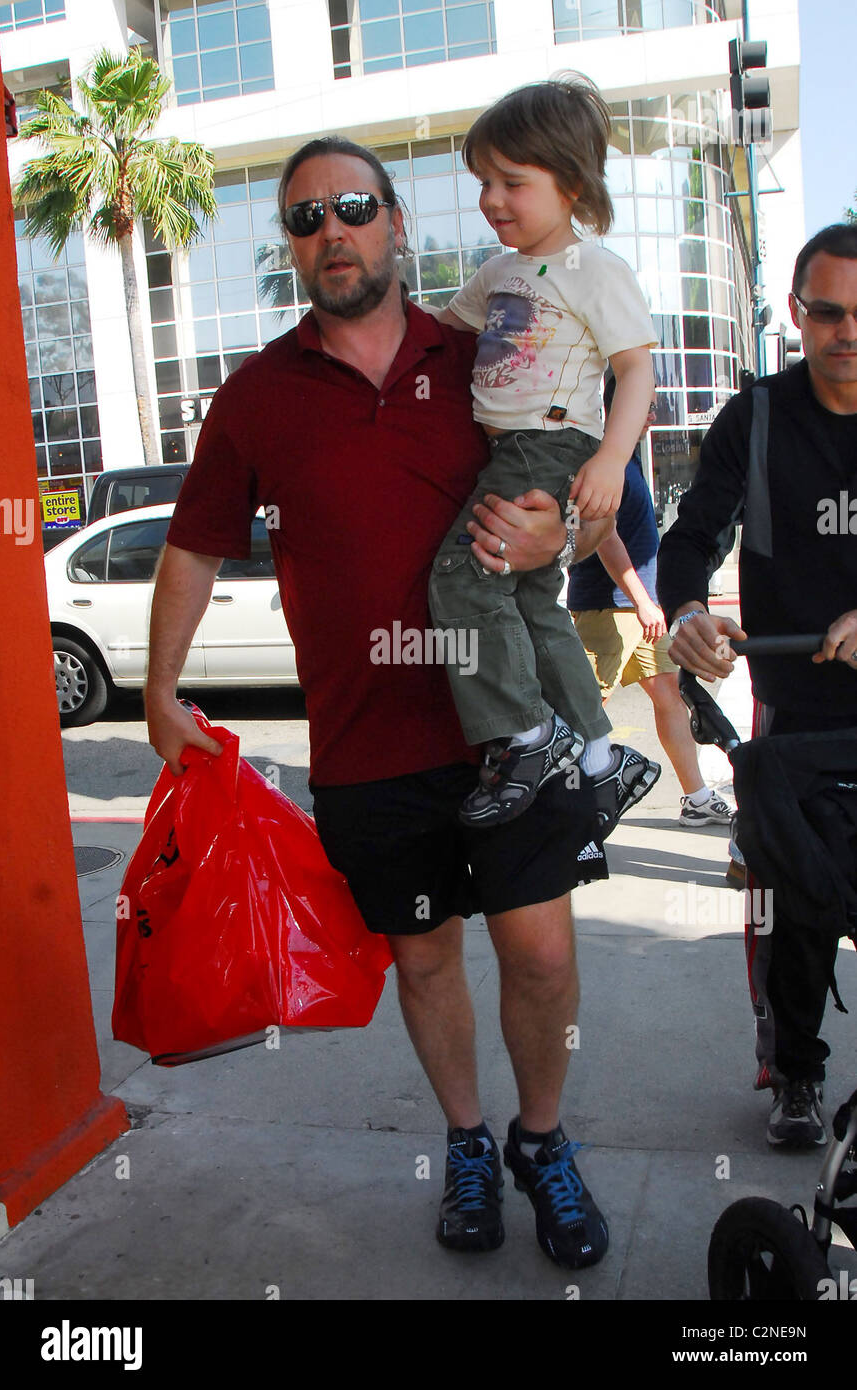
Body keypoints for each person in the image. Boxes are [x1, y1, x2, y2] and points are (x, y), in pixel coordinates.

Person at [145, 135, 614, 1269]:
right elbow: (196, 546)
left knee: (541, 954)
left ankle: (540, 1141)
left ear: (396, 221)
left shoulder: (485, 350)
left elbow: (585, 480)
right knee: (422, 959)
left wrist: (569, 526)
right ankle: (463, 1141)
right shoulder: (257, 394)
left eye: (351, 206)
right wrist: (159, 687)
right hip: (365, 746)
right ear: (292, 247)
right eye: (305, 218)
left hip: (509, 731)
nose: (330, 231)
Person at [658, 223, 857, 1147]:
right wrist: (691, 609)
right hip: (792, 718)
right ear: (796, 314)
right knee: (794, 903)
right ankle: (795, 1075)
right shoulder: (758, 416)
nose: (847, 331)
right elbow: (693, 533)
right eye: (828, 312)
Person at [428, 74, 660, 832]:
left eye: (512, 182)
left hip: (553, 446)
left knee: (461, 583)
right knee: (532, 604)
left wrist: (610, 464)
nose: (492, 198)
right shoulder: (498, 273)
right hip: (515, 451)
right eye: (484, 181)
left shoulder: (595, 270)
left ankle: (527, 736)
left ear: (570, 184)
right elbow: (442, 332)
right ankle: (599, 754)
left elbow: (636, 370)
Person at [569, 375, 733, 828]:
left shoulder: (625, 458)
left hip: (640, 607)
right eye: (646, 404)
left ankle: (697, 797)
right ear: (617, 404)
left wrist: (649, 602)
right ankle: (563, 813)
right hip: (610, 608)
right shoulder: (605, 459)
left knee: (668, 697)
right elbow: (604, 537)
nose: (653, 416)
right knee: (580, 713)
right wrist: (643, 601)